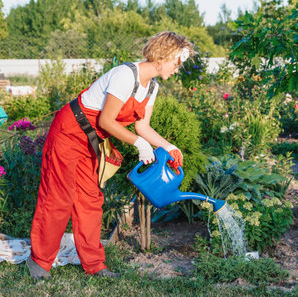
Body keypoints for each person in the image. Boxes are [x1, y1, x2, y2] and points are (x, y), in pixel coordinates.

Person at [27, 31, 193, 279]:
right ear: (163, 56)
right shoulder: (125, 75)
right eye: (177, 63)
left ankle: (95, 265)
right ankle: (39, 262)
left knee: (90, 200)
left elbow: (142, 127)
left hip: (91, 141)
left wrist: (168, 146)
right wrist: (139, 144)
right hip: (69, 131)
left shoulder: (152, 87)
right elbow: (106, 120)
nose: (178, 69)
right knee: (58, 198)